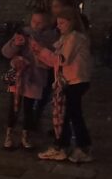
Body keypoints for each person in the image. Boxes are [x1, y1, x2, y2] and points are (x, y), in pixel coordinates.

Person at [31, 8, 93, 162]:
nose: (58, 26)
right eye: (58, 23)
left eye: (62, 23)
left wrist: (41, 51)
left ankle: (79, 148)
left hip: (75, 81)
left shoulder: (74, 37)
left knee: (72, 114)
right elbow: (55, 61)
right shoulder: (66, 38)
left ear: (72, 22)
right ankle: (63, 146)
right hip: (69, 80)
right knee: (66, 115)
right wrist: (39, 53)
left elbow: (62, 60)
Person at [1, 11, 59, 149]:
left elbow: (51, 60)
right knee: (13, 107)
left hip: (35, 78)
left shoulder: (50, 38)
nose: (35, 25)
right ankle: (9, 135)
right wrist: (15, 44)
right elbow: (5, 52)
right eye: (34, 21)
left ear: (46, 23)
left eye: (39, 22)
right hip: (18, 76)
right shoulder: (23, 33)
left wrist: (39, 52)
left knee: (29, 108)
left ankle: (25, 136)